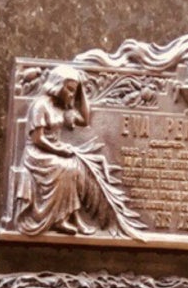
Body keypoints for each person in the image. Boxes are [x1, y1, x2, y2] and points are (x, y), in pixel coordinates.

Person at [13, 66, 144, 239]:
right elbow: (38, 139)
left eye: (74, 91)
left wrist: (81, 93)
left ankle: (71, 217)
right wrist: (59, 150)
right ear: (58, 85)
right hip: (38, 154)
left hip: (55, 152)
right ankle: (61, 219)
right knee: (67, 168)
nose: (71, 94)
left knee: (76, 168)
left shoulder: (62, 107)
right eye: (70, 89)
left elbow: (84, 120)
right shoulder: (40, 106)